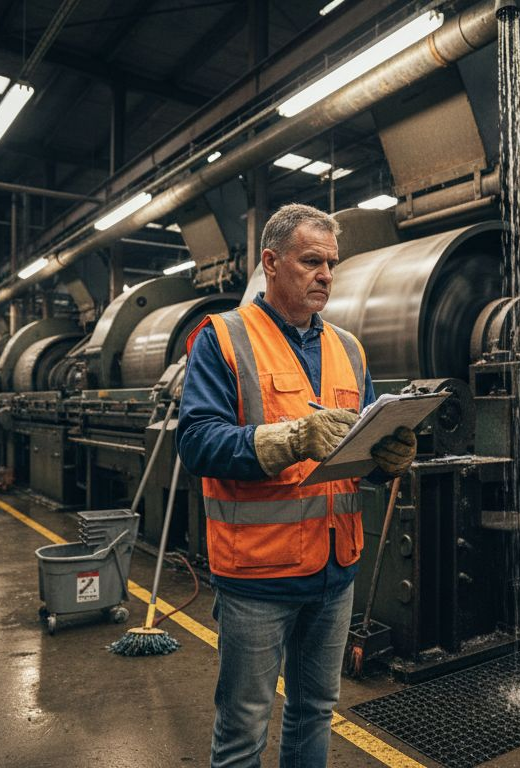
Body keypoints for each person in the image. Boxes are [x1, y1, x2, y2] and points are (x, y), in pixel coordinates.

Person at [177, 203, 416, 767]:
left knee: (315, 712)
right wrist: (290, 439)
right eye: (312, 262)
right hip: (259, 575)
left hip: (335, 570)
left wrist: (389, 458)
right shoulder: (223, 338)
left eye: (331, 264)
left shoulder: (348, 348)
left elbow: (357, 448)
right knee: (244, 726)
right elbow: (197, 443)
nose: (326, 276)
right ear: (271, 263)